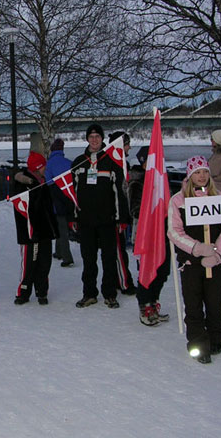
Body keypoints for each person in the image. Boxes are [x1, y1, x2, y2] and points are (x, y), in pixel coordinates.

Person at [167, 156, 221, 364]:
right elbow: (174, 232)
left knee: (215, 302)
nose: (202, 176)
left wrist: (216, 253)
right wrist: (197, 248)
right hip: (191, 263)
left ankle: (216, 336)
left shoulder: (220, 198)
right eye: (197, 172)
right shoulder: (178, 201)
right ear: (190, 175)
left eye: (205, 171)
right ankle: (198, 343)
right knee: (194, 304)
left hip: (215, 261)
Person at [71, 123, 130, 309]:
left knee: (109, 258)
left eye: (97, 136)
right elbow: (71, 192)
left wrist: (122, 218)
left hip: (107, 220)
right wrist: (73, 217)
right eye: (91, 136)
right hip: (86, 221)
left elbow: (119, 192)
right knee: (88, 260)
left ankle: (110, 294)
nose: (94, 139)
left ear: (102, 139)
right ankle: (89, 294)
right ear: (87, 139)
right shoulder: (79, 162)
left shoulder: (111, 162)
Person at [129, 145, 170, 326]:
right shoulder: (137, 182)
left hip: (163, 233)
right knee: (147, 271)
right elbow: (135, 209)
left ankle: (153, 301)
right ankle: (144, 304)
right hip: (145, 234)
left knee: (163, 269)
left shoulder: (161, 181)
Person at [12, 152, 58, 305]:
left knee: (45, 262)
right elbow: (25, 207)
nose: (46, 168)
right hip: (30, 231)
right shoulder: (23, 184)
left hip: (45, 230)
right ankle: (23, 293)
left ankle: (42, 291)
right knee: (29, 264)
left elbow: (48, 208)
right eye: (44, 166)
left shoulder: (43, 181)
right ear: (38, 167)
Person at [108, 131, 137, 295]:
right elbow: (119, 193)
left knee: (116, 251)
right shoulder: (116, 164)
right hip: (116, 216)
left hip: (117, 214)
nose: (129, 148)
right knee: (118, 251)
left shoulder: (118, 163)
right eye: (127, 144)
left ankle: (119, 280)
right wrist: (121, 217)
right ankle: (125, 283)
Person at [44, 138, 75, 268]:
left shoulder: (49, 164)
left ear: (52, 150)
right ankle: (58, 252)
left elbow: (48, 183)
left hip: (56, 199)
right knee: (61, 226)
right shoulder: (69, 163)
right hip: (69, 198)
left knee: (60, 228)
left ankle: (67, 258)